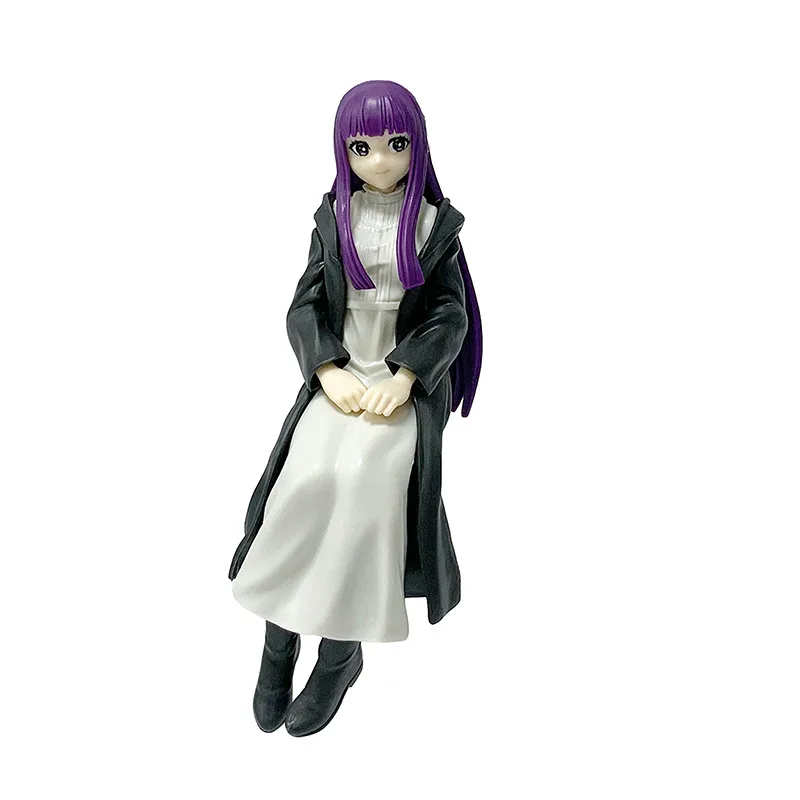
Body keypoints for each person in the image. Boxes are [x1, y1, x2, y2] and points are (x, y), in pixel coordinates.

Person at [228, 79, 483, 737]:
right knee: (304, 482)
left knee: (368, 488)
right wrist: (325, 368)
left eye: (396, 143)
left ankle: (340, 655)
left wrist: (407, 376)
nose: (380, 160)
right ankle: (278, 643)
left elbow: (451, 314)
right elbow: (305, 304)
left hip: (396, 383)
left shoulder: (433, 225)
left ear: (417, 145)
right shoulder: (334, 219)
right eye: (361, 147)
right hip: (342, 375)